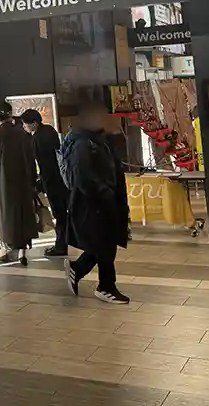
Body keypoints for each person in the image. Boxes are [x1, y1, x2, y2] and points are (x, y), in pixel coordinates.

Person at [60, 99, 131, 304]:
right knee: (105, 245)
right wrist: (105, 192)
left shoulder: (100, 140)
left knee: (105, 244)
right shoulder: (82, 143)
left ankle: (80, 270)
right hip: (92, 205)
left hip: (105, 202)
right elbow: (82, 177)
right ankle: (105, 286)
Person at [0, 105, 39, 264]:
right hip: (24, 181)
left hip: (5, 182)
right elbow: (31, 159)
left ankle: (5, 250)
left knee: (6, 215)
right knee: (24, 213)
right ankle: (22, 252)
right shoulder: (23, 134)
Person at [21, 109, 68, 257]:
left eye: (25, 124)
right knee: (63, 213)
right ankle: (64, 243)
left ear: (34, 123)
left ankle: (61, 246)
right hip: (62, 178)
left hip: (51, 180)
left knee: (58, 213)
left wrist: (39, 184)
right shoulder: (50, 130)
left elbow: (43, 164)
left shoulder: (37, 139)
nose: (24, 127)